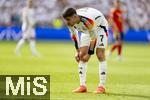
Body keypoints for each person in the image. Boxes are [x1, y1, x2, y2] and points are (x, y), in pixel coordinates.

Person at [62, 7, 108, 93]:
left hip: (99, 27)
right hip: (88, 31)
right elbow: (74, 35)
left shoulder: (87, 21)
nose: (67, 22)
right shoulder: (70, 22)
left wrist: (89, 54)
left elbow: (93, 38)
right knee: (81, 55)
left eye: (68, 19)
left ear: (75, 17)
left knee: (100, 54)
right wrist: (77, 51)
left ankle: (102, 86)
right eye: (66, 20)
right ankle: (82, 86)